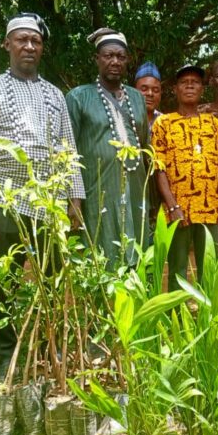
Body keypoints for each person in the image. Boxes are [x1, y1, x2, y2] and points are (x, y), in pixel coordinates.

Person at [0, 13, 86, 382]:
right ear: (7, 45)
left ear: (42, 47)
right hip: (6, 199)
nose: (29, 46)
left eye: (35, 41)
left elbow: (68, 147)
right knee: (6, 280)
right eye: (21, 40)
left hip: (49, 200)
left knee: (51, 279)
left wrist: (74, 200)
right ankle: (5, 355)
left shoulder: (55, 94)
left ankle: (48, 347)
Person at [66, 28, 150, 267]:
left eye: (120, 57)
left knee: (137, 250)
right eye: (108, 56)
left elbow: (144, 144)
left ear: (127, 61)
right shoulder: (78, 97)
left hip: (134, 187)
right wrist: (74, 198)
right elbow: (68, 151)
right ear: (97, 59)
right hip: (97, 188)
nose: (115, 61)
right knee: (99, 252)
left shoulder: (137, 98)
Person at [152, 64, 218, 290]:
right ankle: (176, 318)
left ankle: (207, 317)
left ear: (202, 89)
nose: (189, 85)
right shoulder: (164, 123)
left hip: (210, 208)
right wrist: (171, 205)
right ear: (175, 89)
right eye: (184, 82)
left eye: (195, 82)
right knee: (177, 267)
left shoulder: (213, 124)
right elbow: (160, 169)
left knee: (209, 266)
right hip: (179, 208)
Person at [134, 61, 163, 130]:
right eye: (144, 89)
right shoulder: (123, 119)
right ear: (134, 91)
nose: (150, 93)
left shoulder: (165, 122)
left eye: (155, 90)